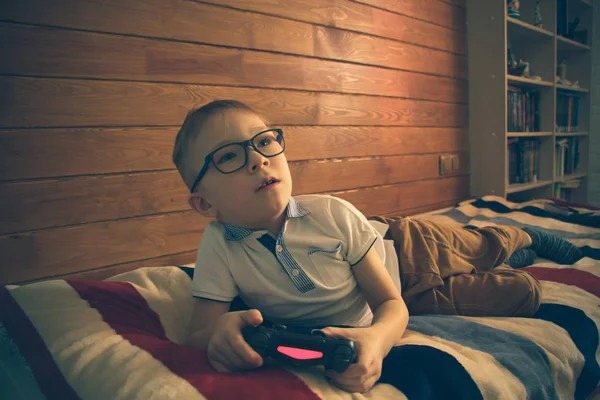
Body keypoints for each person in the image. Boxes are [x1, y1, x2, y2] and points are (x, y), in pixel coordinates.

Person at [172, 100, 583, 393]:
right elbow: (199, 332)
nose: (258, 160)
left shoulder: (331, 214)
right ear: (205, 204)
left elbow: (389, 302)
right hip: (418, 297)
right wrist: (219, 335)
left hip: (407, 249)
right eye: (229, 157)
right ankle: (523, 260)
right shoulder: (220, 246)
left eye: (264, 142)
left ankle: (525, 238)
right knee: (521, 293)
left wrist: (378, 338)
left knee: (480, 244)